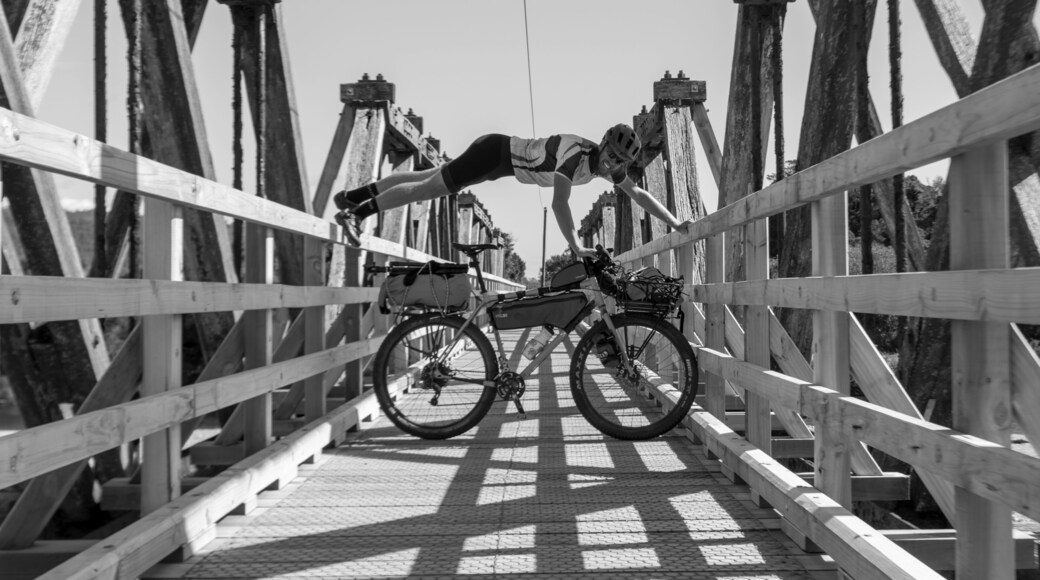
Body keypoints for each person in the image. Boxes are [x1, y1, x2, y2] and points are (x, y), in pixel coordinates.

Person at [334, 123, 692, 257]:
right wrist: (575, 246)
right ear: (602, 144)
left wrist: (675, 223)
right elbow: (560, 204)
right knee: (427, 189)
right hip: (493, 154)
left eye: (618, 163)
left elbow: (639, 195)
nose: (612, 166)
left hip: (498, 162)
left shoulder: (607, 168)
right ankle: (356, 213)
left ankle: (352, 197)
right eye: (611, 156)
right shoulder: (576, 155)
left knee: (431, 176)